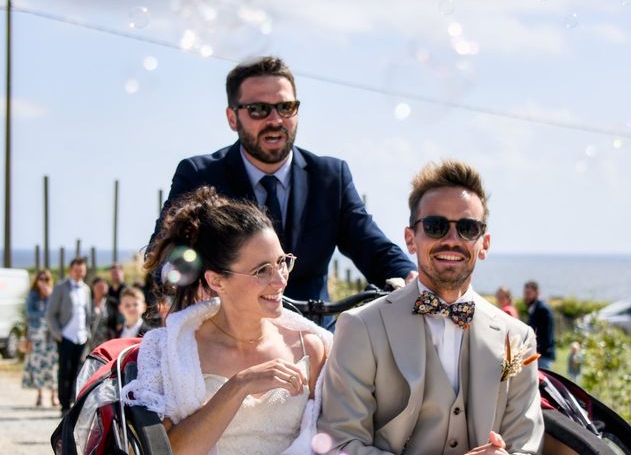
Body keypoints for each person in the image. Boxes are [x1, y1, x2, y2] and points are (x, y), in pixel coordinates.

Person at [318, 160, 544, 455]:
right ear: (411, 239)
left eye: (467, 228)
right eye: (435, 227)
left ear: (484, 243)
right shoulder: (362, 327)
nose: (452, 240)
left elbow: (527, 447)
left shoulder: (518, 338)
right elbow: (339, 444)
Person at [150, 56, 417, 301]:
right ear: (233, 118)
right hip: (228, 338)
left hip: (311, 337)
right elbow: (163, 256)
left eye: (286, 107)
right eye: (258, 109)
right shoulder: (200, 175)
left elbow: (371, 245)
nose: (275, 119)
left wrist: (408, 276)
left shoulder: (330, 177)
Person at [124, 186, 332, 455]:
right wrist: (239, 385)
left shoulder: (311, 348)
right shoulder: (172, 351)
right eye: (262, 270)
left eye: (281, 262)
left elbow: (332, 439)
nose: (280, 280)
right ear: (216, 280)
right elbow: (168, 451)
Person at [45, 257, 92, 415]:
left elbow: (88, 313)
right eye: (77, 270)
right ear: (71, 270)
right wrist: (58, 334)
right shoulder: (60, 288)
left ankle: (73, 402)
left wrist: (87, 332)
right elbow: (50, 314)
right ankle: (64, 405)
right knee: (64, 371)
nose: (80, 273)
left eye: (82, 270)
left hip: (81, 337)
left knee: (77, 372)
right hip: (66, 336)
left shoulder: (86, 289)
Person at [22, 269, 59, 407]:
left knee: (52, 365)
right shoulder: (32, 295)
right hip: (36, 336)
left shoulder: (53, 294)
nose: (43, 282)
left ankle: (54, 395)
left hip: (50, 337)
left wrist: (49, 296)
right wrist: (45, 313)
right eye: (41, 279)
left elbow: (56, 312)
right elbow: (30, 313)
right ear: (36, 281)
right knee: (37, 365)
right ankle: (40, 395)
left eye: (46, 279)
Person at [523, 280, 555, 370]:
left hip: (542, 356)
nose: (526, 296)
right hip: (537, 354)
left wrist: (535, 350)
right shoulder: (534, 308)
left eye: (529, 293)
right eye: (525, 293)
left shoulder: (543, 309)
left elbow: (546, 336)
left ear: (536, 293)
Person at [106, 263, 127, 334]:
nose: (115, 275)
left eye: (116, 273)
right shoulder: (108, 290)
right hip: (110, 327)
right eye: (112, 273)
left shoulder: (126, 290)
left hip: (123, 326)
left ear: (122, 273)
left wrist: (120, 321)